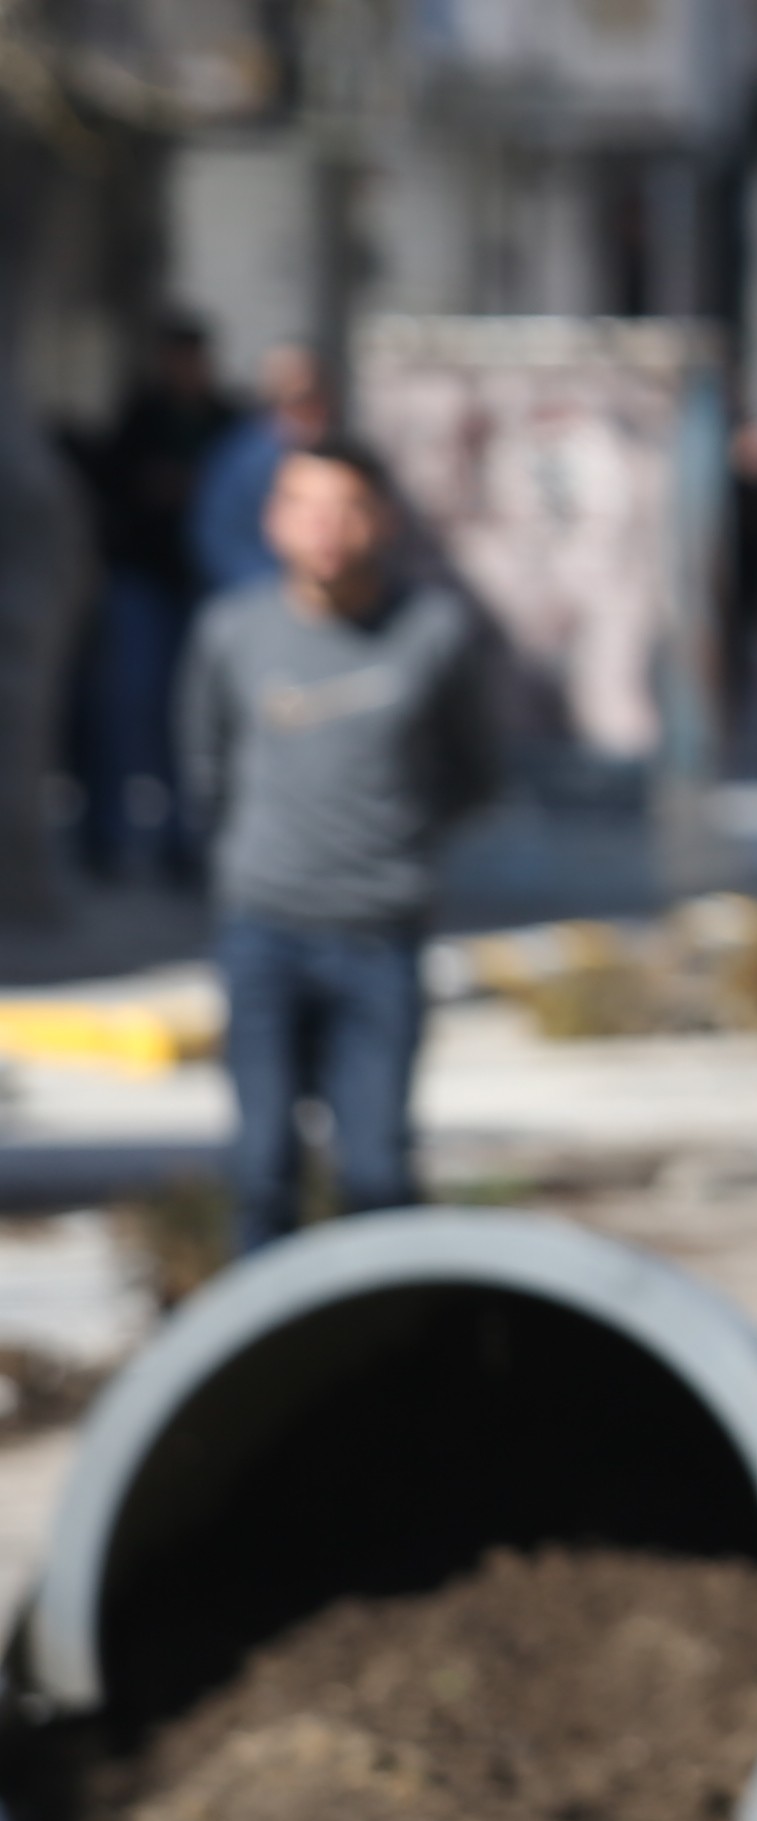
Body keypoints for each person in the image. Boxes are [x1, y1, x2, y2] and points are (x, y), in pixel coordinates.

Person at [181, 441, 507, 1252]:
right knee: (261, 1170)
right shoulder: (233, 632)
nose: (326, 529)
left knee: (378, 1174)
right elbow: (205, 770)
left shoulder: (433, 632)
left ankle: (389, 1358)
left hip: (379, 933)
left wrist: (397, 845)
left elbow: (478, 773)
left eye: (346, 508)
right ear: (274, 520)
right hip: (264, 928)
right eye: (306, 507)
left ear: (383, 520)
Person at [76, 318, 231, 879]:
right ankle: (110, 839)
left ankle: (182, 843)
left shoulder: (224, 419)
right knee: (126, 711)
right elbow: (108, 487)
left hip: (202, 584)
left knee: (192, 717)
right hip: (141, 581)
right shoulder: (139, 417)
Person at [187, 340, 332, 596]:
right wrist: (278, 597)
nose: (314, 410)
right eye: (299, 400)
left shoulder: (330, 452)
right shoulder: (239, 459)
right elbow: (217, 540)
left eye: (319, 396)